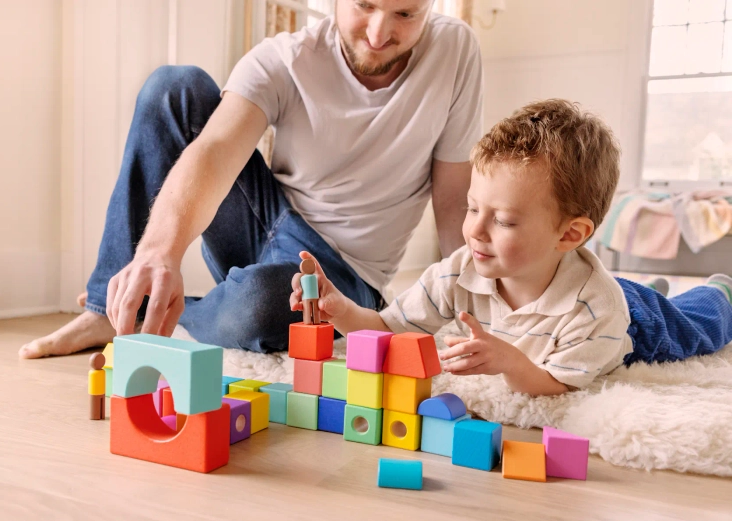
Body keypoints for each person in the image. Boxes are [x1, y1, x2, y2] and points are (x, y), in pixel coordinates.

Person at [19, 0, 483, 359]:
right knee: (172, 88)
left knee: (260, 306)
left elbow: (453, 197)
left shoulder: (455, 52)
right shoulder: (286, 59)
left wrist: (470, 301)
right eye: (364, 4)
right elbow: (215, 149)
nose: (380, 33)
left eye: (405, 13)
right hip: (267, 219)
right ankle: (108, 305)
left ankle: (161, 311)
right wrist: (160, 253)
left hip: (347, 275)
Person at [289, 99, 732, 396]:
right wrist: (339, 310)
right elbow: (390, 328)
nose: (475, 231)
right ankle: (648, 287)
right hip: (575, 280)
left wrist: (510, 362)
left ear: (570, 234)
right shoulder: (458, 271)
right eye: (472, 208)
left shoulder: (598, 310)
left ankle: (719, 291)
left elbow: (557, 386)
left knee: (699, 329)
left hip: (636, 325)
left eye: (501, 220)